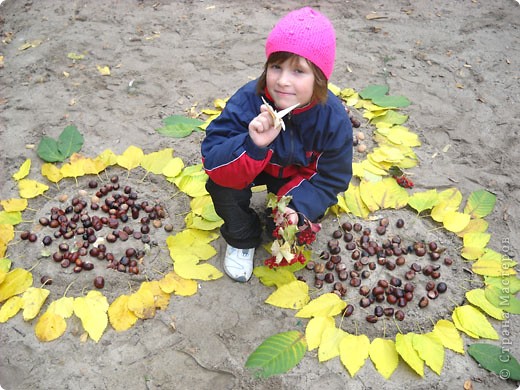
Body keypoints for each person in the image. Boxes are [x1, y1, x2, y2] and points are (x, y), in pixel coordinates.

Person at [201, 7, 353, 282]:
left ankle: (282, 217)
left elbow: (331, 177)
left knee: (285, 225)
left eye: (298, 71)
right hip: (253, 166)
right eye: (276, 67)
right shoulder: (249, 100)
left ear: (319, 77)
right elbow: (213, 160)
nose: (283, 80)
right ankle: (241, 238)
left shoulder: (332, 118)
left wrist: (297, 208)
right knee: (222, 186)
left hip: (295, 179)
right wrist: (252, 144)